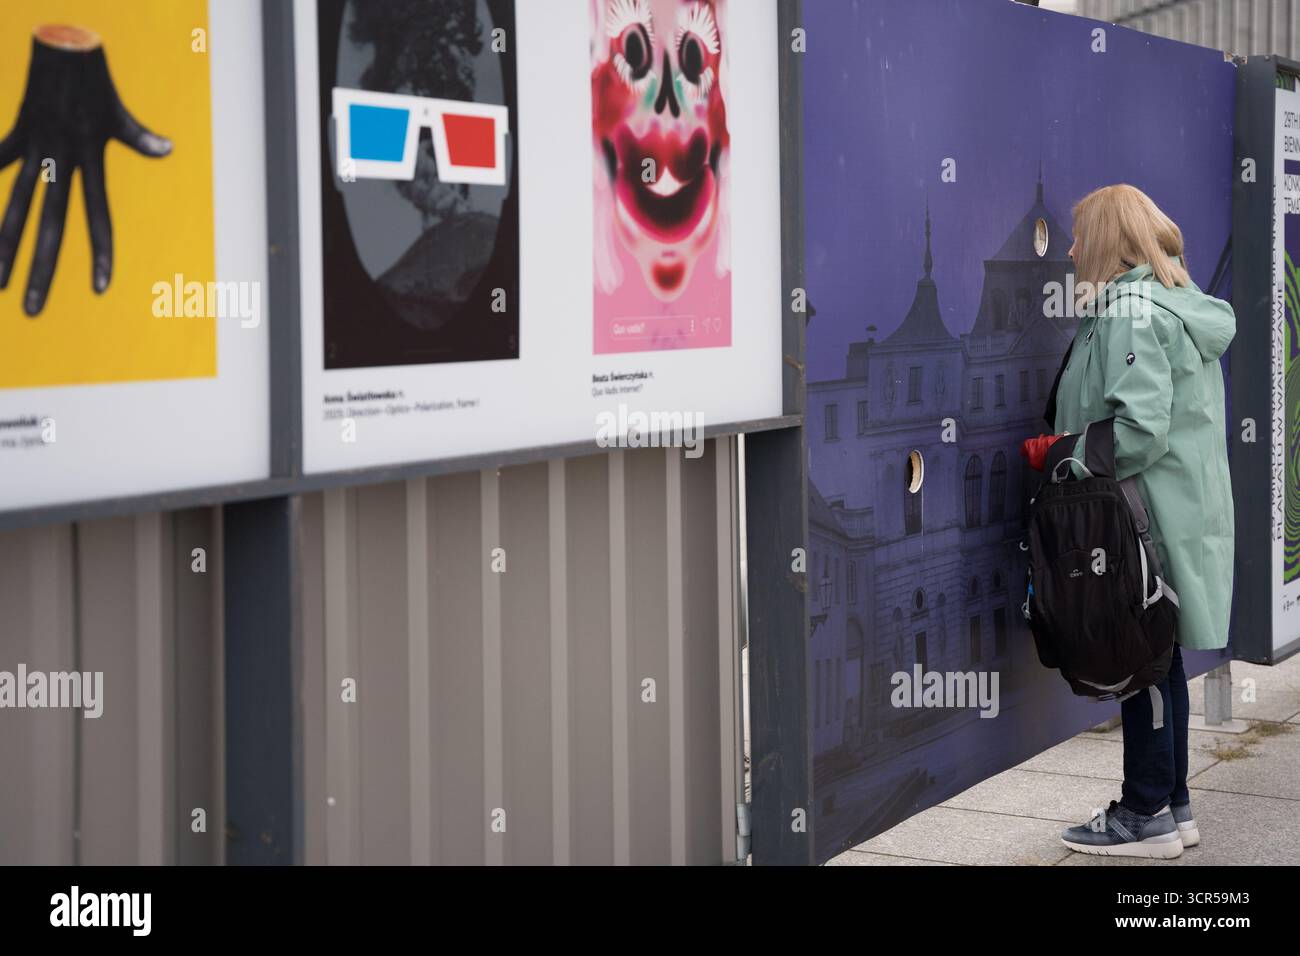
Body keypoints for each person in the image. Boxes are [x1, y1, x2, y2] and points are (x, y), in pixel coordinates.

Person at [1019, 184, 1235, 859]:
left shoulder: (1131, 314)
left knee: (1136, 658)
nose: (1073, 249)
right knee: (1155, 654)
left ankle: (1143, 814)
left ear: (1108, 242)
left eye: (1082, 236)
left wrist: (1062, 457)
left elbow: (1139, 429)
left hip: (1141, 516)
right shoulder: (1173, 303)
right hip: (1176, 509)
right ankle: (1171, 805)